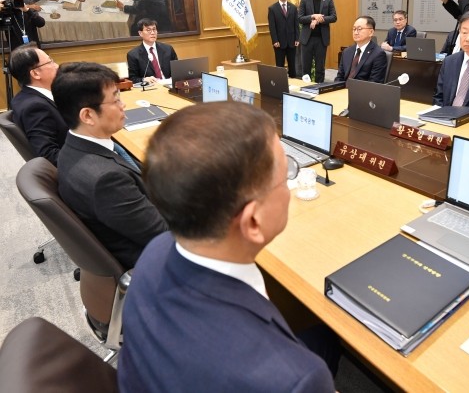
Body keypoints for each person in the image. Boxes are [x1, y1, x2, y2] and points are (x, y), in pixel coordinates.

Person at [117, 102, 339, 392]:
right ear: (253, 222)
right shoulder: (294, 378)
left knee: (325, 335)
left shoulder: (157, 250)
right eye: (286, 177)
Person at [53, 62, 168, 268]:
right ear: (88, 115)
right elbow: (164, 236)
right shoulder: (106, 180)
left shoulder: (73, 147)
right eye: (116, 99)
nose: (123, 105)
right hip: (158, 262)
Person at [8, 44, 67, 165]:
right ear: (35, 74)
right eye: (50, 61)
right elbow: (49, 155)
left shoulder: (24, 97)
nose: (57, 66)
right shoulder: (35, 107)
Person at [298, 0, 337, 83]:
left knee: (320, 68)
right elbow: (300, 18)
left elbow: (334, 17)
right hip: (307, 39)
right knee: (306, 67)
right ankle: (305, 89)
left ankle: (320, 88)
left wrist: (319, 20)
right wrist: (313, 16)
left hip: (321, 39)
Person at [126, 18, 178, 86]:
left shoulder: (168, 49)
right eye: (148, 30)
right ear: (140, 33)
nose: (153, 33)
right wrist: (144, 79)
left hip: (169, 85)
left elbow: (177, 70)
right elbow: (132, 78)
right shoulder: (133, 55)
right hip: (151, 88)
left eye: (154, 29)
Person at [335, 16, 388, 83]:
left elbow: (374, 83)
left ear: (371, 32)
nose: (356, 32)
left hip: (362, 91)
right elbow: (340, 77)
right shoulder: (347, 51)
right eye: (354, 29)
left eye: (359, 29)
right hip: (343, 91)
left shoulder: (378, 54)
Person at [268, 0, 299, 78]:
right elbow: (272, 27)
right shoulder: (272, 8)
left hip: (291, 41)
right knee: (279, 65)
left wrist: (297, 39)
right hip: (279, 42)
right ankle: (279, 84)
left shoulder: (293, 8)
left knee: (292, 65)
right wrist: (275, 40)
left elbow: (296, 25)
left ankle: (294, 82)